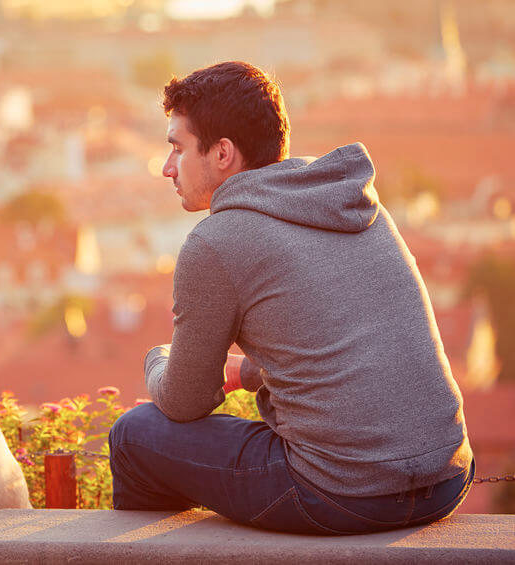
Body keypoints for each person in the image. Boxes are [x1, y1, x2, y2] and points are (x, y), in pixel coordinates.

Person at [107, 61, 474, 535]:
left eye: (177, 147)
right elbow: (350, 342)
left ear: (222, 153)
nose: (166, 167)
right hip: (447, 478)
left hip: (341, 495)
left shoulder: (217, 241)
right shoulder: (353, 204)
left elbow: (184, 402)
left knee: (135, 435)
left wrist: (157, 359)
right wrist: (249, 371)